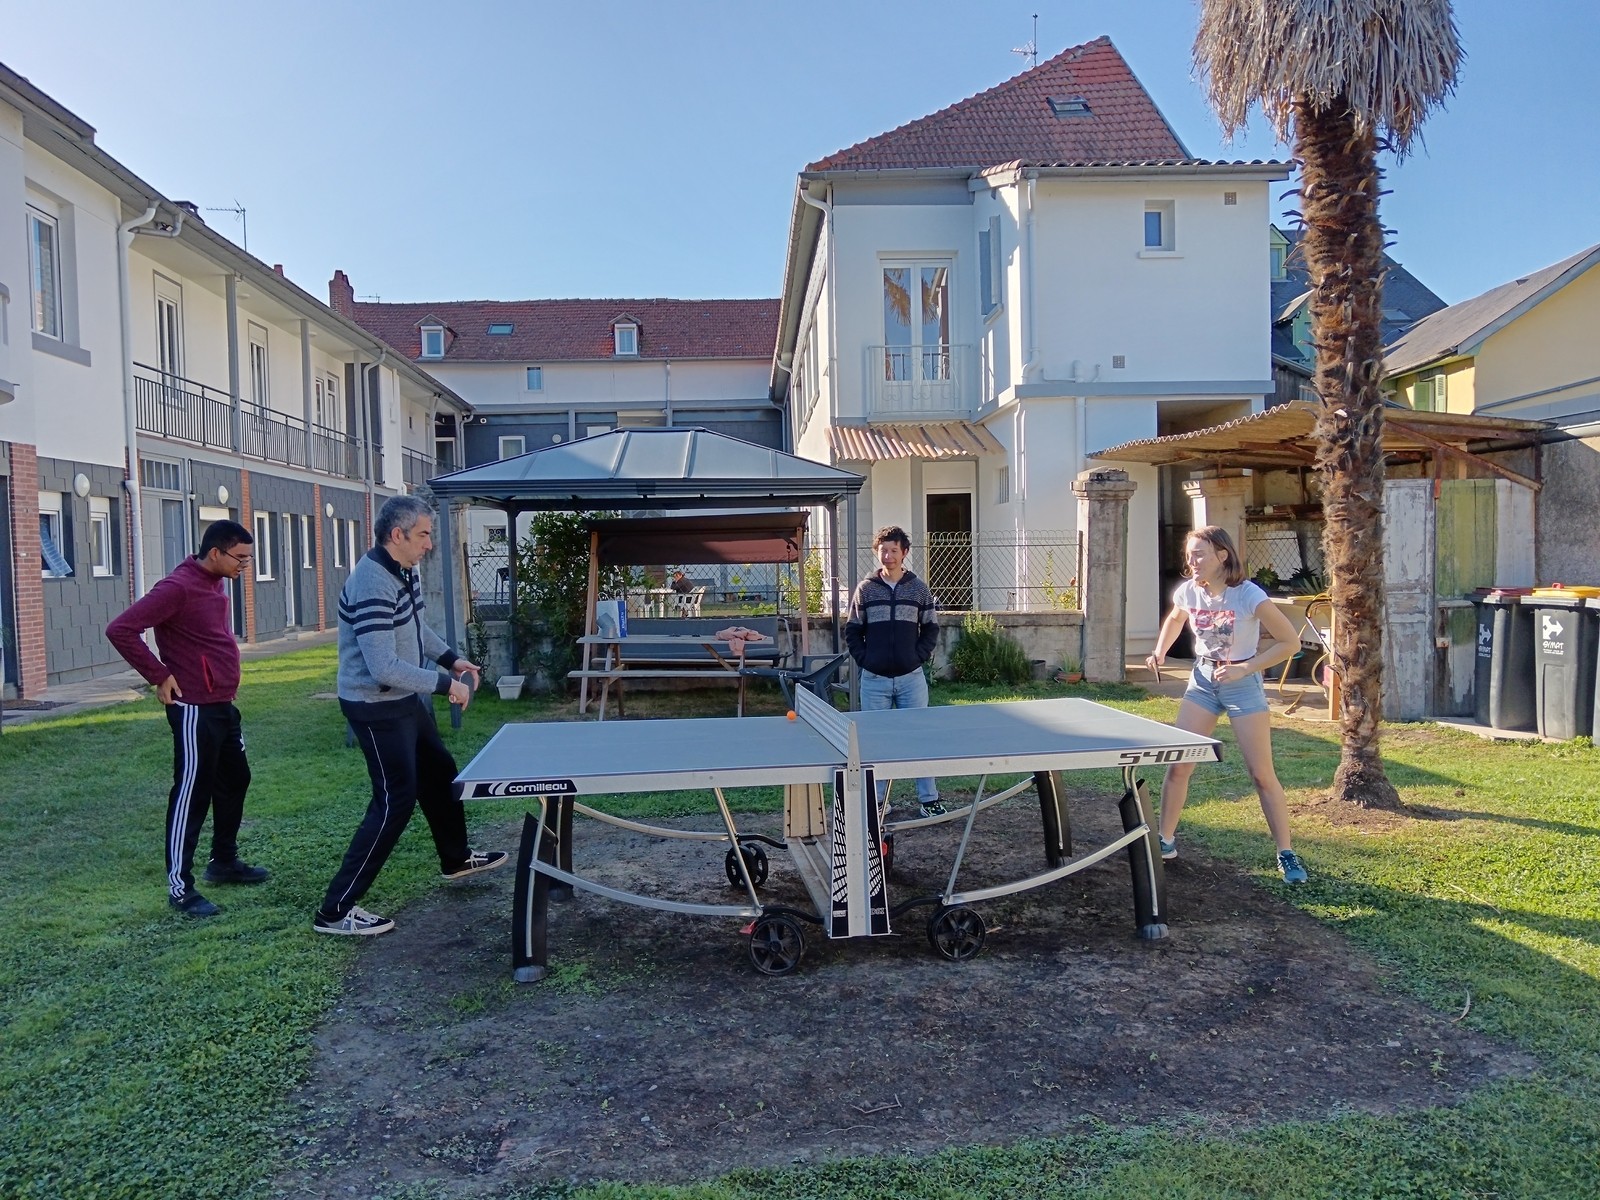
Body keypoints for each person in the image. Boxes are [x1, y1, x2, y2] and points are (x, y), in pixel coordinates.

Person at [313, 496, 507, 936]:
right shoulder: (372, 584)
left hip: (403, 700)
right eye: (423, 535)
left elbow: (417, 628)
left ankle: (456, 859)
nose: (428, 545)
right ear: (396, 535)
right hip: (375, 705)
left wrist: (452, 660)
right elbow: (382, 666)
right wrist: (445, 685)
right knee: (393, 802)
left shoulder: (405, 571)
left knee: (439, 770)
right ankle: (335, 911)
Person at [106, 519, 268, 918]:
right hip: (194, 708)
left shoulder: (214, 583)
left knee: (236, 778)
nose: (244, 566)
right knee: (191, 794)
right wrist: (159, 675)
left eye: (248, 559)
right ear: (215, 552)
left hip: (223, 705)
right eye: (240, 558)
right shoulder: (176, 588)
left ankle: (224, 862)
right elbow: (121, 629)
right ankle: (180, 888)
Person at [1145, 525, 1309, 884]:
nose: (1192, 561)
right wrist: (1159, 650)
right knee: (1179, 766)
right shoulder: (1189, 591)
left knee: (1262, 775)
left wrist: (1245, 668)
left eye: (1199, 554)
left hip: (1243, 686)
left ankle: (1287, 854)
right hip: (1202, 683)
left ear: (1223, 555)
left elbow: (1289, 643)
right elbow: (1176, 618)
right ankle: (1165, 840)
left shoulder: (1248, 595)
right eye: (1189, 555)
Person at [845, 525, 943, 818]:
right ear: (877, 553)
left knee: (919, 739)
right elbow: (852, 630)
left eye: (893, 551)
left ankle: (929, 800)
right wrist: (866, 660)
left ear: (904, 553)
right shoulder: (865, 589)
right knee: (875, 742)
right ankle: (877, 802)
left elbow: (931, 628)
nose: (887, 556)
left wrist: (917, 657)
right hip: (874, 680)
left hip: (911, 679)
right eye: (883, 551)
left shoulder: (918, 589)